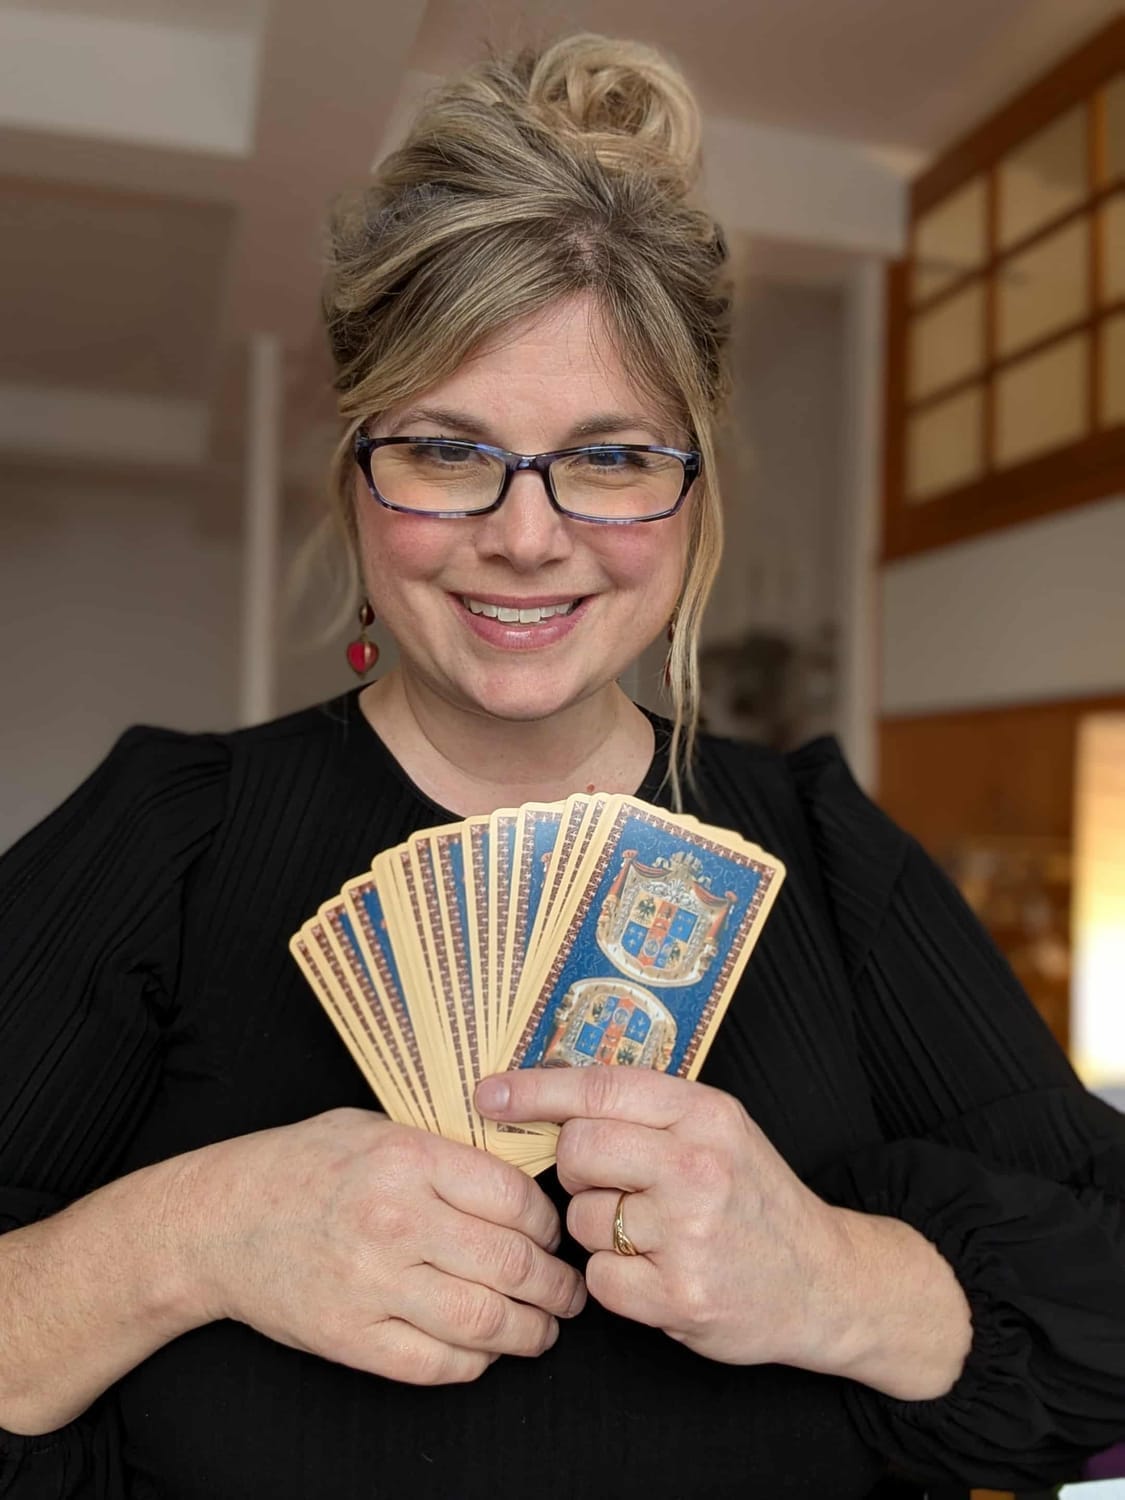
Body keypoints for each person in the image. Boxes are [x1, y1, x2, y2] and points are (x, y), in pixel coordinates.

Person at [1, 34, 1124, 1500]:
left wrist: (834, 1278)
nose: (526, 537)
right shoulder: (169, 834)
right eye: (446, 449)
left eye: (609, 458)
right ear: (355, 472)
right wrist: (194, 1236)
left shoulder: (824, 854)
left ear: (691, 487)